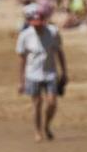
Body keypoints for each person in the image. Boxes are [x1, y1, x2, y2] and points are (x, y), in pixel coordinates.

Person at [16, 7, 68, 142]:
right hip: (32, 75)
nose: (37, 27)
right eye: (35, 24)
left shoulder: (53, 32)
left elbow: (59, 52)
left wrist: (64, 72)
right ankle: (37, 131)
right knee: (37, 104)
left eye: (39, 24)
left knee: (52, 103)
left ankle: (46, 126)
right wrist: (21, 81)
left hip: (50, 73)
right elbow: (22, 59)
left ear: (44, 21)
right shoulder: (25, 35)